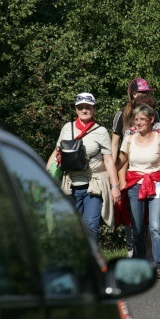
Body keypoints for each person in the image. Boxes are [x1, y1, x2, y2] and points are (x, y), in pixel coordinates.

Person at [47, 92, 121, 241]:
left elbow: (108, 160)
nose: (84, 110)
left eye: (88, 107)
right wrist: (45, 177)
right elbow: (56, 153)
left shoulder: (101, 132)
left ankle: (91, 261)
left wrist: (115, 187)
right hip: (70, 185)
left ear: (94, 109)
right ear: (76, 109)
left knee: (91, 225)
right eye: (80, 107)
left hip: (93, 185)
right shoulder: (67, 128)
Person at [118, 104, 160, 277]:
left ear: (151, 120)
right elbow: (121, 163)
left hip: (155, 181)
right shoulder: (129, 139)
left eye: (142, 119)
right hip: (135, 184)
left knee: (155, 226)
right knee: (138, 228)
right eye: (136, 119)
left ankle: (159, 265)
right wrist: (115, 178)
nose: (138, 122)